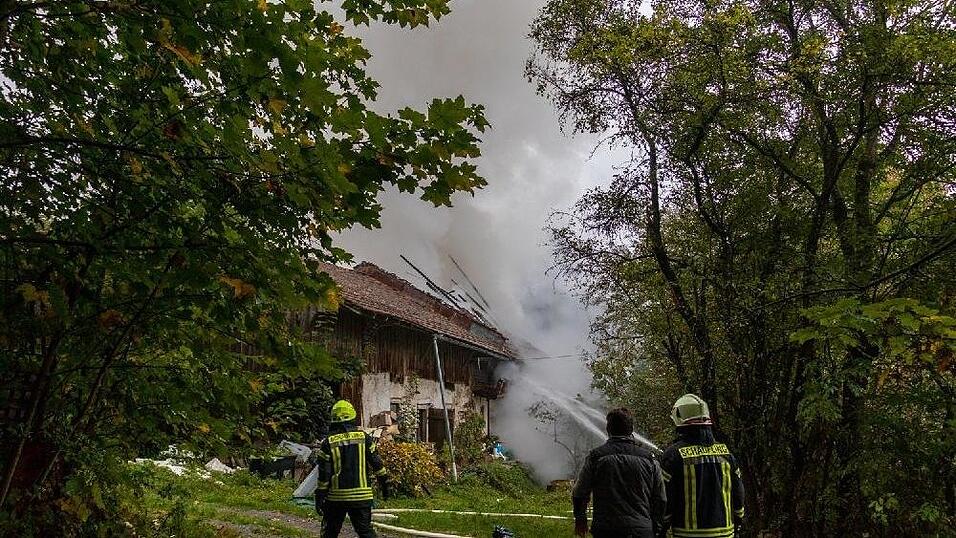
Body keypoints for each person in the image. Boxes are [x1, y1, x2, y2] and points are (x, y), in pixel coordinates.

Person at [659, 394, 745, 538]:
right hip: (725, 534)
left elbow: (665, 498)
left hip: (686, 534)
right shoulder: (726, 453)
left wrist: (663, 526)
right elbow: (738, 493)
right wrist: (738, 519)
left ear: (679, 418)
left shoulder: (673, 455)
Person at [572, 407, 666, 538]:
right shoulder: (649, 460)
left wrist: (580, 519)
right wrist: (656, 528)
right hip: (642, 531)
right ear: (631, 429)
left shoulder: (596, 457)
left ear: (608, 429)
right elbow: (660, 498)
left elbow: (579, 492)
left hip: (606, 530)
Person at [312, 400, 389, 538]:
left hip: (336, 497)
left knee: (330, 533)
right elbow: (378, 465)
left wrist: (319, 497)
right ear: (353, 416)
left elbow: (324, 475)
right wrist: (385, 487)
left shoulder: (329, 442)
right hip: (362, 496)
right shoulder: (365, 438)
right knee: (365, 531)